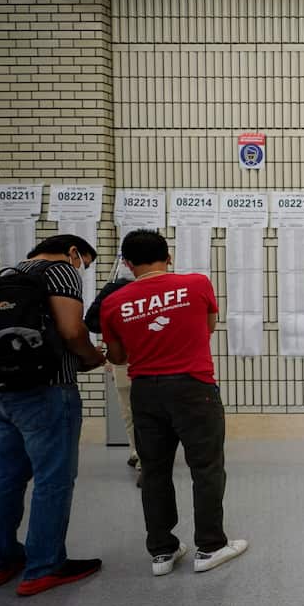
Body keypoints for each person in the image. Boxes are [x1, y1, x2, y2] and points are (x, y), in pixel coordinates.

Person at [100, 229, 248, 576]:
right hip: (193, 387)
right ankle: (210, 546)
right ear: (169, 257)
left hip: (146, 391)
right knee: (206, 467)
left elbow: (118, 357)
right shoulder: (197, 284)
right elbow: (208, 326)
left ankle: (162, 553)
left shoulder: (113, 302)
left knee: (154, 471)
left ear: (127, 263)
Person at [0, 234, 105, 596]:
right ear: (73, 252)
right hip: (46, 391)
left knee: (7, 475)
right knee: (54, 478)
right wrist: (91, 357)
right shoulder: (61, 272)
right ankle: (45, 566)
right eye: (84, 261)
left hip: (0, 393)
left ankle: (0, 562)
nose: (81, 269)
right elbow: (70, 329)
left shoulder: (8, 275)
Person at [85, 274, 140, 486]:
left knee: (128, 409)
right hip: (149, 357)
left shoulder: (113, 289)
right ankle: (143, 455)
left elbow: (91, 322)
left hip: (122, 357)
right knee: (145, 410)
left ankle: (137, 451)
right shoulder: (153, 289)